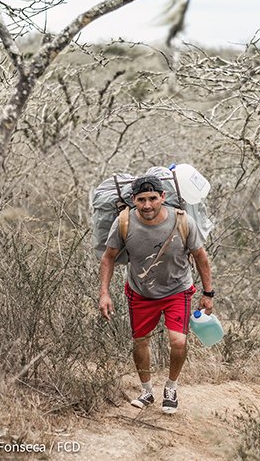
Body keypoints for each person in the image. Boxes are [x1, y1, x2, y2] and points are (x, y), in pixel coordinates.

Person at [99, 175, 214, 414]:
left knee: (178, 341)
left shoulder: (182, 221)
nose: (147, 205)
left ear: (163, 197)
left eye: (153, 198)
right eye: (141, 200)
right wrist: (104, 293)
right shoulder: (124, 222)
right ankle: (146, 391)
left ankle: (171, 388)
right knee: (141, 341)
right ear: (133, 200)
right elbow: (108, 257)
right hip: (141, 292)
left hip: (177, 290)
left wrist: (208, 293)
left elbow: (201, 257)